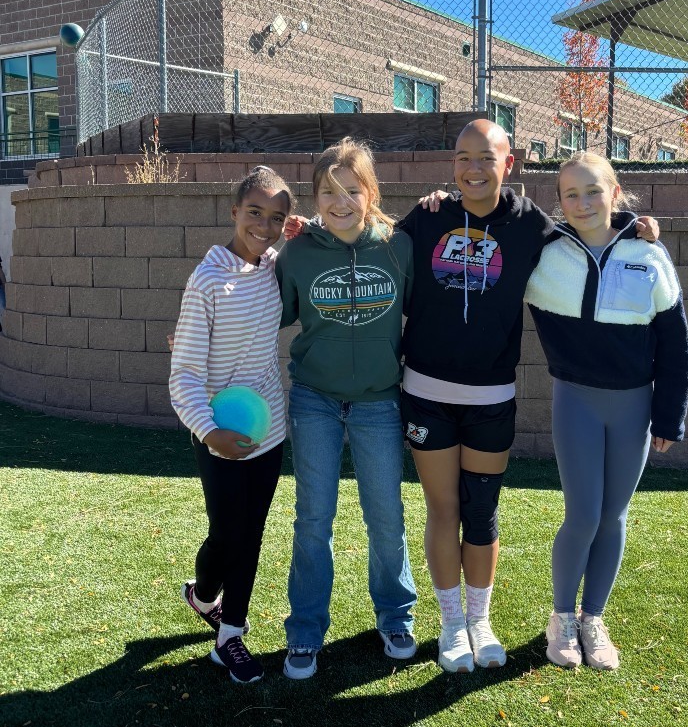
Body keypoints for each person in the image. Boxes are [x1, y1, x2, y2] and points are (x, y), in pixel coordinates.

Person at [399, 119, 660, 673]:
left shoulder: (528, 223)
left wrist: (636, 224)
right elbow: (374, 241)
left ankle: (480, 622)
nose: (474, 168)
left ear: (508, 163)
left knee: (483, 513)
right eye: (464, 157)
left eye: (486, 157)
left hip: (492, 394)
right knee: (442, 509)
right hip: (425, 392)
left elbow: (588, 230)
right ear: (452, 165)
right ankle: (450, 625)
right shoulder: (428, 217)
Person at [525, 151, 688, 670]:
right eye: (570, 194)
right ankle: (561, 618)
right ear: (559, 202)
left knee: (614, 516)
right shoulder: (545, 250)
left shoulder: (649, 253)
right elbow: (494, 224)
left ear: (615, 193)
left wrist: (669, 415)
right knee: (582, 515)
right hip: (575, 399)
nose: (582, 202)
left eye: (593, 190)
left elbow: (675, 342)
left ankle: (593, 616)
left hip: (635, 408)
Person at [276, 137, 417, 680]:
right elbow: (267, 304)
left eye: (351, 191)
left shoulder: (396, 248)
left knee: (385, 518)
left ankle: (396, 615)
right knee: (313, 519)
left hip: (379, 402)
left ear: (370, 193)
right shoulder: (299, 250)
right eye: (327, 193)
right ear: (313, 198)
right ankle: (306, 631)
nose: (339, 203)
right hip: (314, 399)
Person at [169, 166, 294, 684]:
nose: (264, 226)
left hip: (269, 433)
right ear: (233, 212)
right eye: (254, 213)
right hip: (218, 436)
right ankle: (202, 596)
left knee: (252, 534)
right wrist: (208, 430)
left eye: (276, 217)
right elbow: (184, 375)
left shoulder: (273, 267)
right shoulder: (207, 282)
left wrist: (299, 229)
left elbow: (302, 244)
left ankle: (231, 635)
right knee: (226, 533)